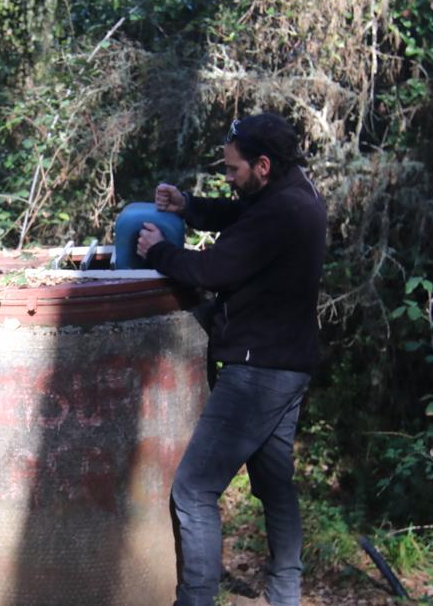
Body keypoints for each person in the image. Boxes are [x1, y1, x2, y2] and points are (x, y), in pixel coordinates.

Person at [136, 113, 327, 606]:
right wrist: (190, 207)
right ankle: (285, 594)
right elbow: (244, 215)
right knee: (273, 481)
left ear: (262, 165)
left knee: (194, 490)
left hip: (258, 370)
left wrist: (157, 252)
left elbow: (212, 270)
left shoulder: (280, 212)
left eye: (233, 170)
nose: (228, 177)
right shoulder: (295, 191)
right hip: (291, 363)